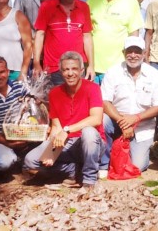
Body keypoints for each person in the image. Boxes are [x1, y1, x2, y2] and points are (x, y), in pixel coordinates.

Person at [23, 51, 105, 188]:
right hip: (65, 143)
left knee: (89, 132)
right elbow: (56, 127)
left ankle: (89, 180)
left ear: (81, 71)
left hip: (90, 142)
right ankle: (74, 170)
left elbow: (96, 119)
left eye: (74, 69)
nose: (70, 73)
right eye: (66, 69)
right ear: (61, 72)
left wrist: (67, 130)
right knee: (30, 161)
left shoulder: (93, 88)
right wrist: (51, 152)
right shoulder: (55, 93)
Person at [99, 37, 158, 176]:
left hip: (142, 126)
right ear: (124, 52)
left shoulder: (154, 74)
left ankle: (129, 152)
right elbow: (105, 101)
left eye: (137, 52)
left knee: (137, 167)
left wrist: (136, 118)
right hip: (116, 120)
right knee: (103, 120)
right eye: (129, 51)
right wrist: (122, 122)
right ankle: (104, 164)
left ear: (144, 53)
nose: (133, 55)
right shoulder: (113, 72)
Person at [33, 0, 95, 85]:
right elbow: (40, 35)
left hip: (77, 67)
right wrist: (36, 63)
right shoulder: (47, 6)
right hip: (53, 68)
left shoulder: (84, 7)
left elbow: (87, 37)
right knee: (53, 102)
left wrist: (91, 65)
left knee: (76, 102)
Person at [87, 0, 144, 84]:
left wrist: (131, 64)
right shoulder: (92, 0)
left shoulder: (130, 1)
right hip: (94, 68)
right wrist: (88, 64)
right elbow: (87, 35)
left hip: (119, 68)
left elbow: (134, 35)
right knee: (95, 103)